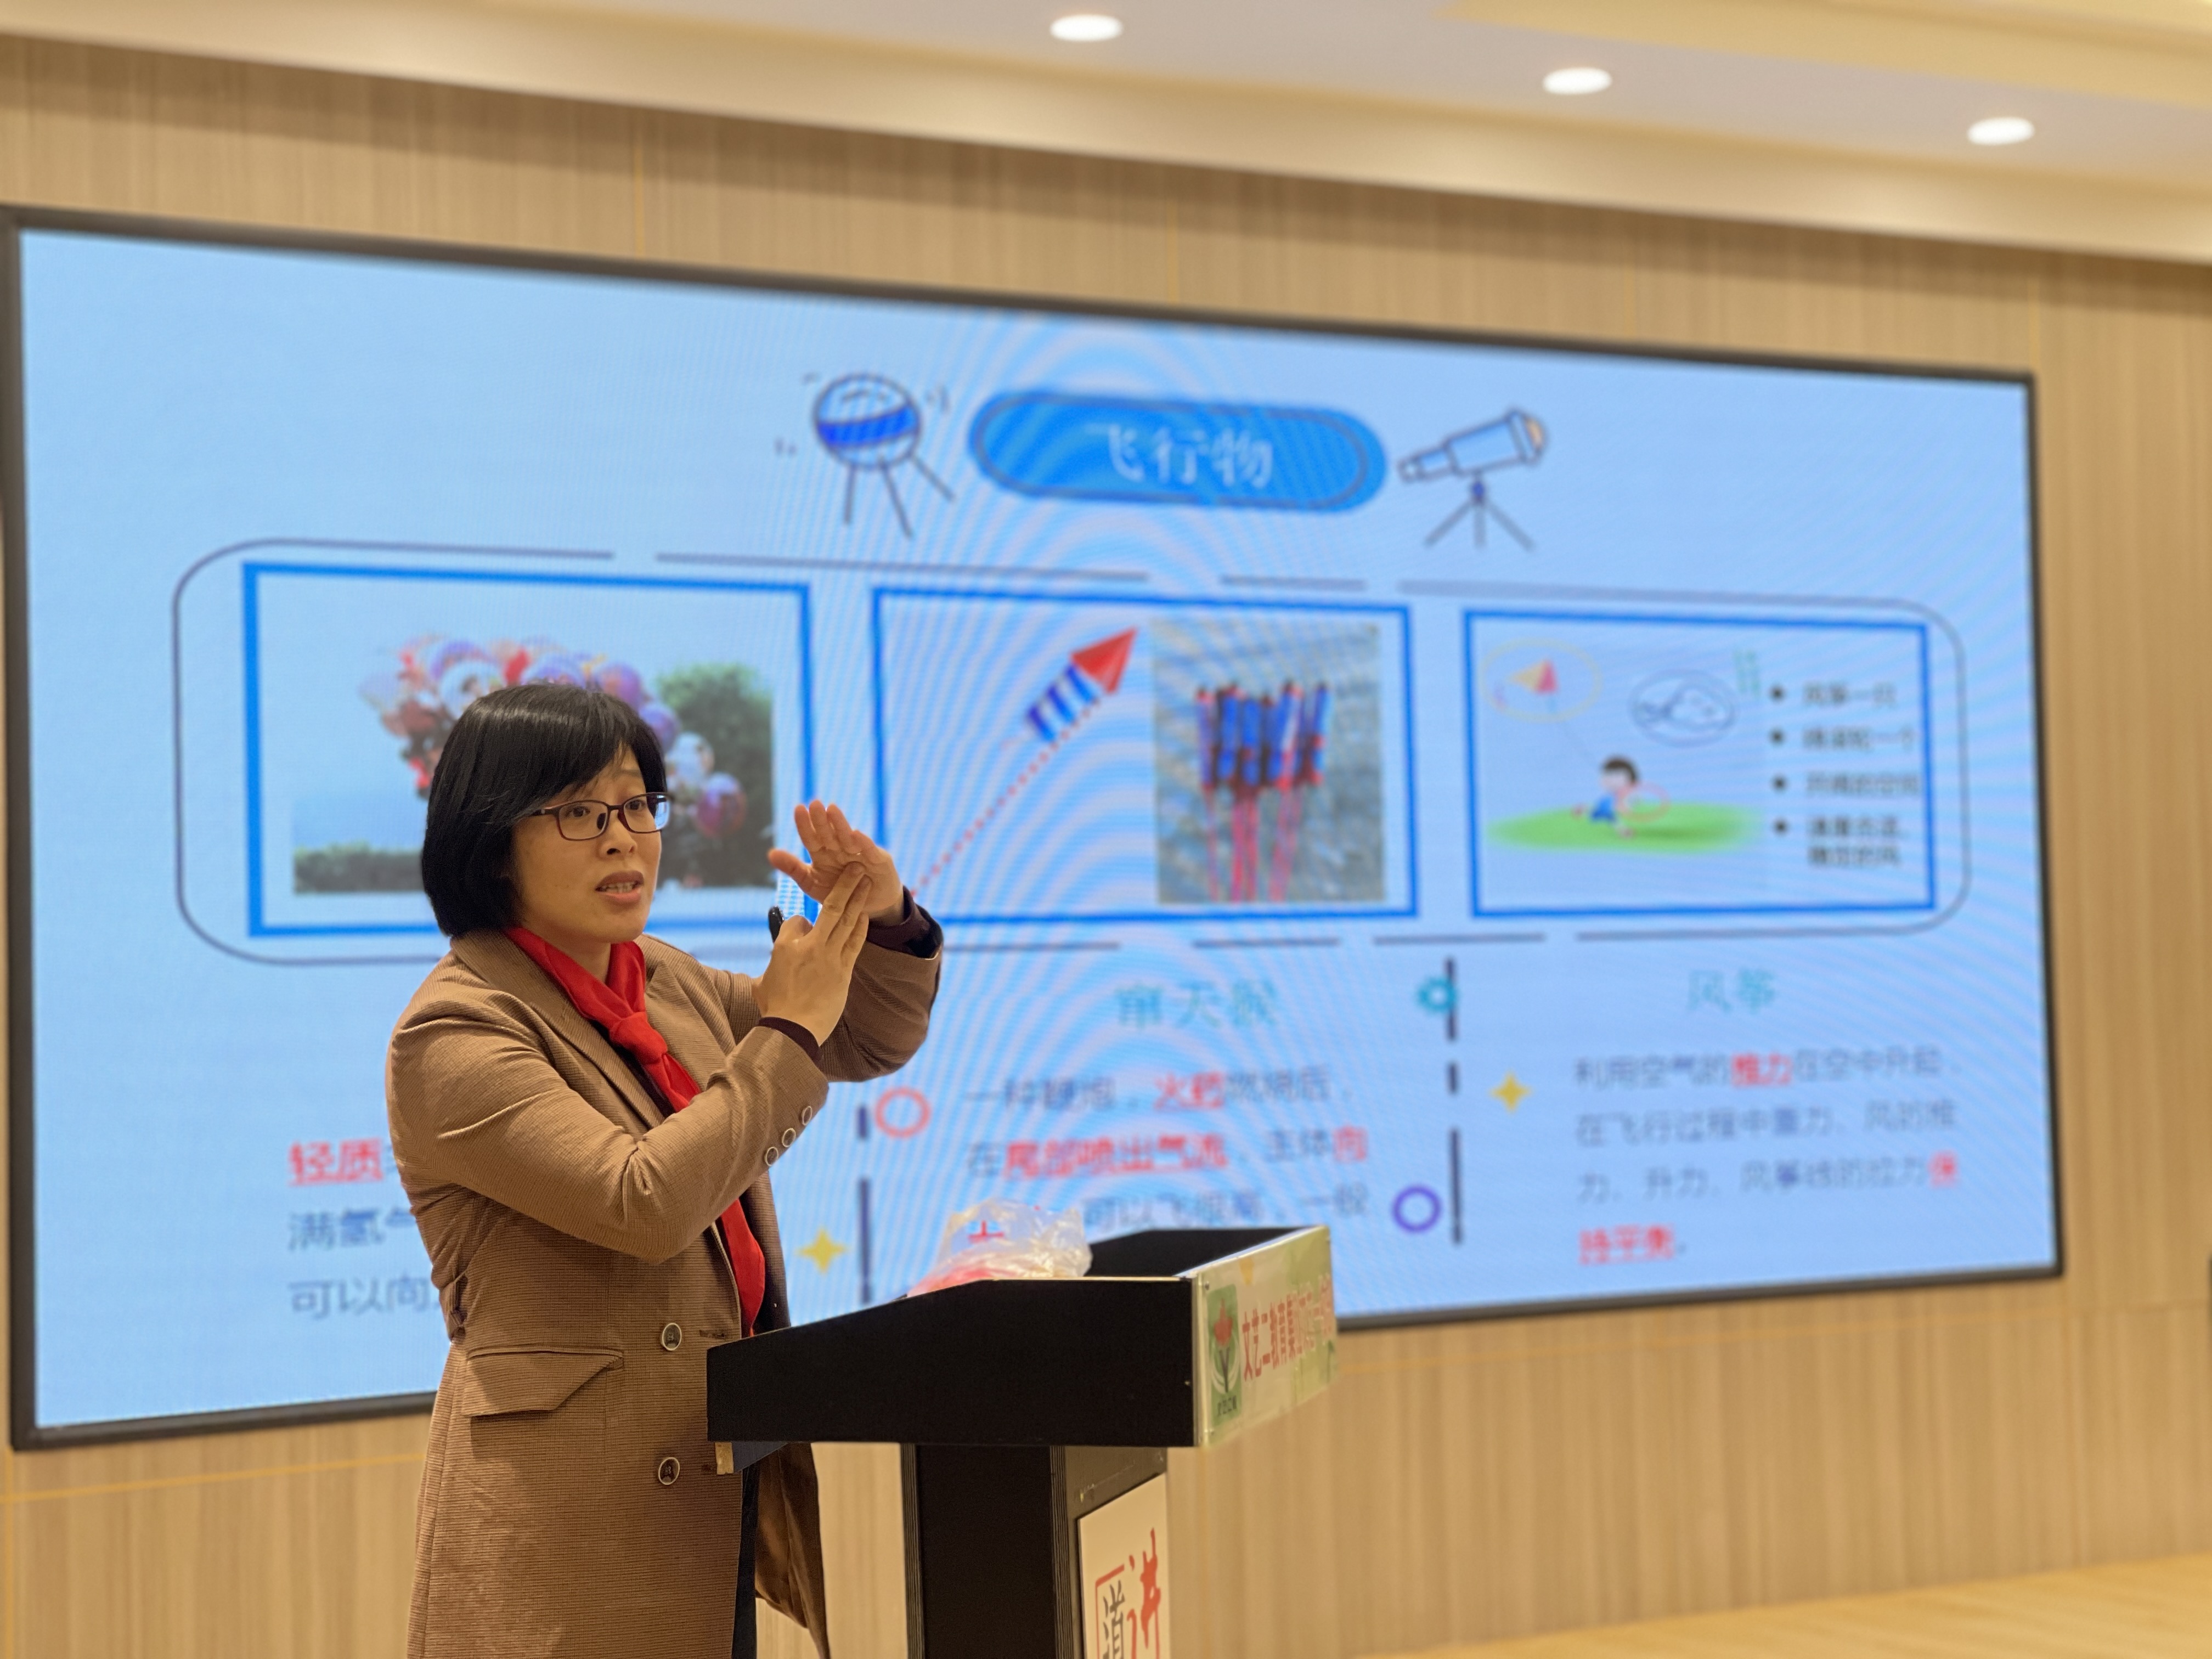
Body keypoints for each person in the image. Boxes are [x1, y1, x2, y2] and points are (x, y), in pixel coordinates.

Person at [386, 682, 940, 1659]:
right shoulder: (457, 1028)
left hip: (714, 1482)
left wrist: (882, 918)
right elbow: (642, 1200)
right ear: (492, 840)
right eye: (581, 813)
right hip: (569, 1526)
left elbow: (860, 1037)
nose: (623, 839)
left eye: (638, 805)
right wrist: (787, 1026)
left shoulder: (662, 977)